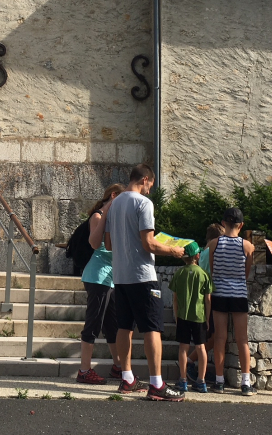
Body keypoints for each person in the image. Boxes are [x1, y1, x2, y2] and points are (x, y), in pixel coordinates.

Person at [104, 163, 186, 402]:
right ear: (146, 179)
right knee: (152, 328)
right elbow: (149, 244)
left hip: (120, 276)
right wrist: (173, 251)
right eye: (151, 184)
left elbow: (108, 245)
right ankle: (157, 384)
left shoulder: (114, 203)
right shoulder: (143, 203)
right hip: (142, 275)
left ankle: (127, 378)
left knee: (124, 327)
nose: (150, 190)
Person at [76, 183, 125, 384]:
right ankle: (84, 370)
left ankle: (118, 366)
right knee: (94, 323)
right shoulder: (98, 217)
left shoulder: (111, 219)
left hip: (109, 279)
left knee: (112, 325)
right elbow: (99, 246)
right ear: (113, 196)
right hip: (98, 277)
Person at [207, 207, 256, 396]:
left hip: (219, 292)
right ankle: (245, 381)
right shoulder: (247, 246)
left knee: (220, 338)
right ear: (241, 225)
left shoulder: (214, 244)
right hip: (239, 294)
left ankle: (219, 381)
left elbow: (213, 269)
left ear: (223, 223)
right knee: (242, 340)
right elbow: (246, 271)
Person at [169, 241, 212, 393]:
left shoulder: (179, 273)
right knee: (201, 348)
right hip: (199, 316)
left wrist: (176, 316)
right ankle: (201, 380)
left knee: (183, 348)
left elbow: (174, 298)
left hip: (183, 316)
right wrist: (207, 318)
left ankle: (183, 380)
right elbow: (207, 299)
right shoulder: (203, 274)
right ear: (197, 255)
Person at [186, 222, 224, 381]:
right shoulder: (212, 252)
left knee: (209, 337)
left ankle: (196, 365)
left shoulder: (202, 252)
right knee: (213, 338)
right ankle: (189, 362)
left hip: (202, 297)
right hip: (212, 296)